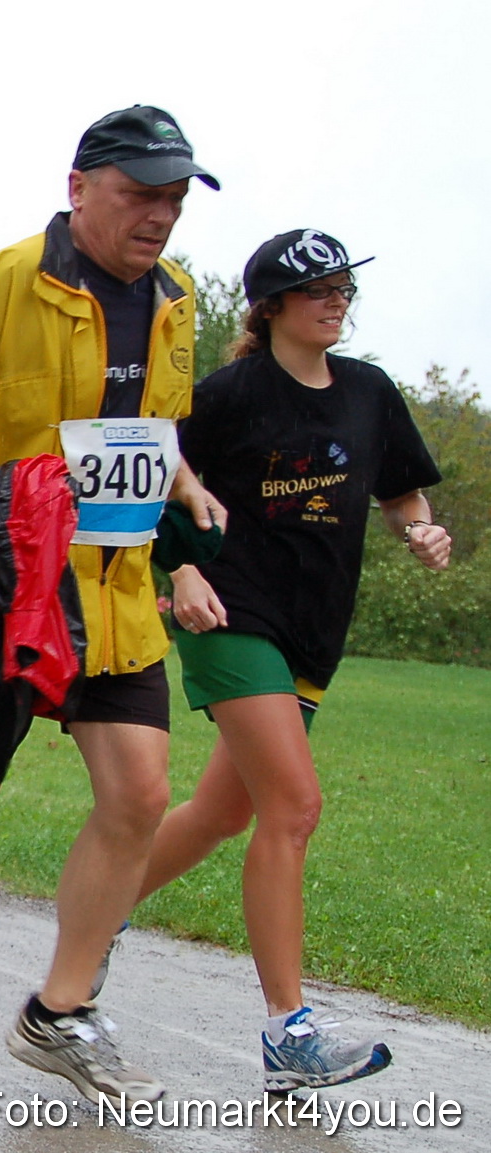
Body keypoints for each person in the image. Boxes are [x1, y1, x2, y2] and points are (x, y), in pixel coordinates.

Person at [0, 106, 223, 1102]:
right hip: (9, 586)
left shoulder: (177, 298)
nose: (160, 214)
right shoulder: (5, 280)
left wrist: (184, 490)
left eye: (175, 196)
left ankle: (59, 1009)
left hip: (114, 592)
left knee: (140, 795)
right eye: (140, 192)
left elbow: (152, 426)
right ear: (81, 187)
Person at [120, 231, 446, 1091]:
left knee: (227, 811)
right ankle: (288, 1031)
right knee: (295, 808)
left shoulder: (370, 392)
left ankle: (96, 913)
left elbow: (400, 488)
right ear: (270, 307)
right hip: (229, 613)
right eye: (318, 289)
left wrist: (418, 526)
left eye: (344, 287)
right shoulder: (226, 394)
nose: (337, 300)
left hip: (310, 631)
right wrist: (180, 563)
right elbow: (150, 472)